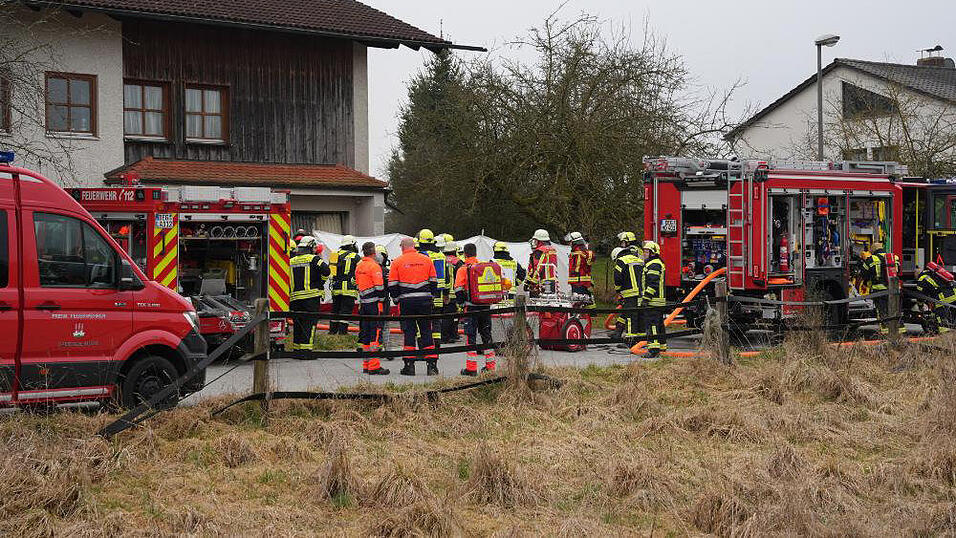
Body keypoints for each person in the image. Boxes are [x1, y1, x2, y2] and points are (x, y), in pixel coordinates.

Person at [389, 237, 440, 376]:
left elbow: (392, 285)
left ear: (402, 247)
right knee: (426, 331)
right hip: (425, 301)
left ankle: (409, 366)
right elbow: (434, 282)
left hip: (406, 303)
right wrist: (431, 296)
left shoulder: (397, 262)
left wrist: (396, 298)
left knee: (409, 333)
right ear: (414, 246)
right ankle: (432, 367)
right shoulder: (426, 260)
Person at [455, 243, 498, 375]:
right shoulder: (482, 267)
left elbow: (458, 289)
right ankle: (490, 367)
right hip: (485, 307)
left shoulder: (463, 269)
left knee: (471, 337)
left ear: (465, 254)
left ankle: (471, 369)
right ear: (475, 253)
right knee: (487, 336)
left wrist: (461, 304)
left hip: (471, 308)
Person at [289, 236, 331, 351]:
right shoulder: (314, 259)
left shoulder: (291, 260)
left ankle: (297, 350)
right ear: (311, 247)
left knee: (298, 324)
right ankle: (306, 351)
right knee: (309, 324)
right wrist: (320, 282)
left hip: (294, 299)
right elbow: (327, 270)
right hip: (310, 298)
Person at [355, 242, 389, 375]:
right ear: (374, 252)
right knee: (375, 334)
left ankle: (366, 364)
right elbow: (380, 288)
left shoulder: (359, 266)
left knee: (366, 334)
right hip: (375, 305)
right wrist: (382, 300)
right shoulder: (374, 267)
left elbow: (357, 284)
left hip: (363, 304)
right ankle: (374, 366)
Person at [417, 229, 449, 352]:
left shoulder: (421, 255)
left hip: (424, 294)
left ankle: (423, 347)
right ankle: (436, 345)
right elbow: (446, 277)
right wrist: (446, 293)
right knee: (436, 321)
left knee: (422, 322)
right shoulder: (441, 255)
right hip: (439, 295)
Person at [613, 243, 644, 347]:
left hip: (630, 293)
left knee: (630, 317)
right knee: (640, 316)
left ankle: (630, 341)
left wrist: (618, 291)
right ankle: (641, 341)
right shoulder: (638, 260)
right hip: (642, 293)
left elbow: (617, 278)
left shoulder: (621, 261)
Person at [641, 240, 667, 357]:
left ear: (653, 253)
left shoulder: (654, 264)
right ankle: (662, 347)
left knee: (652, 325)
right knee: (659, 324)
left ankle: (653, 350)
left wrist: (646, 298)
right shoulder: (655, 263)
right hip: (657, 301)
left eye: (646, 251)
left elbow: (653, 284)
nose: (644, 253)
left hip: (653, 301)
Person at [329, 235, 360, 335]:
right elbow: (359, 272)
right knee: (345, 312)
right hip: (349, 290)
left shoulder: (334, 255)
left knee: (335, 311)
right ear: (352, 245)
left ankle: (332, 332)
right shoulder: (356, 256)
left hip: (336, 288)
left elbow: (331, 274)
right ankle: (342, 334)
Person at [861, 242, 892, 334]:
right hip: (893, 290)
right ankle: (896, 331)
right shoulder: (893, 257)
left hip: (878, 290)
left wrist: (867, 282)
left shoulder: (871, 259)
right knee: (893, 310)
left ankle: (885, 332)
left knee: (882, 311)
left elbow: (864, 274)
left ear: (873, 250)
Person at [916, 262, 954, 334]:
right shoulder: (933, 273)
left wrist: (920, 306)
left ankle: (944, 336)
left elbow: (920, 295)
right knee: (952, 315)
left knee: (940, 318)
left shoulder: (921, 279)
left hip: (943, 298)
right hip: (953, 293)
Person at [442, 240, 465, 342]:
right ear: (455, 250)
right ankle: (447, 336)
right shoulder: (458, 262)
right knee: (451, 316)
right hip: (453, 293)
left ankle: (452, 335)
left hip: (441, 293)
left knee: (444, 316)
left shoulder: (441, 259)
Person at [526, 229, 558, 297]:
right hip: (552, 281)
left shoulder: (540, 251)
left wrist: (530, 283)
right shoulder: (552, 250)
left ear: (539, 241)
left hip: (541, 283)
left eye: (536, 241)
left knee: (537, 303)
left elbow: (537, 268)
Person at [492, 241, 526, 306]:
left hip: (498, 293)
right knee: (510, 312)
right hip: (511, 292)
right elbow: (522, 274)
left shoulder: (493, 262)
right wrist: (516, 283)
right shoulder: (514, 262)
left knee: (498, 311)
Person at [568, 232, 595, 304]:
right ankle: (590, 314)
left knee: (578, 303)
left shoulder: (577, 253)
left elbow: (575, 269)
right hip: (585, 283)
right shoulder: (584, 252)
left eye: (570, 242)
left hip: (578, 283)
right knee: (586, 302)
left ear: (574, 242)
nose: (569, 243)